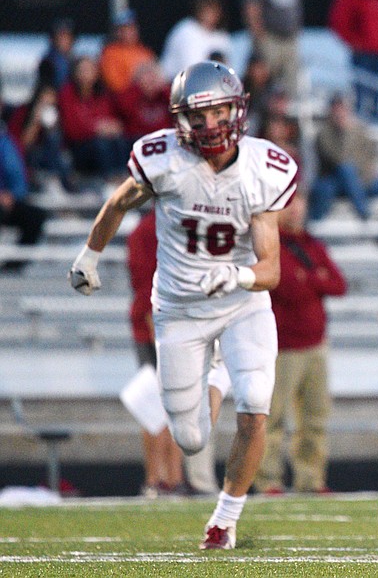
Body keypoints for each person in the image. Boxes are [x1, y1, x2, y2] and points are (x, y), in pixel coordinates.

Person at [68, 60, 298, 549]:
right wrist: (90, 255)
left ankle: (224, 519)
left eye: (219, 113)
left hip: (241, 301)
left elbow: (271, 269)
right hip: (177, 308)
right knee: (191, 438)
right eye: (199, 116)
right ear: (181, 120)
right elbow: (117, 204)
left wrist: (235, 274)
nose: (211, 125)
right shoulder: (163, 158)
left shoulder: (262, 168)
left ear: (237, 111)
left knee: (256, 405)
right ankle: (216, 374)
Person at [255, 192, 346, 494]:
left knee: (315, 419)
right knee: (273, 418)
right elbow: (288, 288)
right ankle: (268, 480)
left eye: (300, 202)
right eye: (289, 203)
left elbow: (338, 284)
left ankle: (311, 479)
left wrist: (309, 279)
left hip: (315, 344)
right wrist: (313, 278)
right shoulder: (271, 246)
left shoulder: (311, 244)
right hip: (282, 346)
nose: (296, 209)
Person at [125, 208, 185, 496]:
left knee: (176, 402)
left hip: (171, 323)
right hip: (159, 325)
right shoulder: (150, 230)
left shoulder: (161, 226)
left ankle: (170, 476)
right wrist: (156, 326)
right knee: (159, 403)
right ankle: (159, 477)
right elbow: (147, 281)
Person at [308, 93, 378, 223]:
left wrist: (370, 169)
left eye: (343, 109)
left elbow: (370, 152)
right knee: (346, 169)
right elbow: (339, 158)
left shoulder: (359, 130)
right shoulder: (323, 134)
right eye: (336, 109)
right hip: (335, 182)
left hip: (362, 180)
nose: (340, 113)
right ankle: (364, 213)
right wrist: (345, 132)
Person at [57, 56, 130, 185]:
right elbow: (71, 129)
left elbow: (113, 120)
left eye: (90, 70)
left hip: (103, 142)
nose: (86, 74)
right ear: (75, 73)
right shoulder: (67, 94)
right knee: (100, 144)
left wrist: (113, 127)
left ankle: (123, 178)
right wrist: (96, 129)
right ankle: (109, 181)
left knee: (120, 141)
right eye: (82, 70)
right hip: (78, 148)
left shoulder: (103, 94)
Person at [0, 127, 47, 272]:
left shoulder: (4, 142)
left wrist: (11, 195)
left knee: (35, 216)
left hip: (5, 201)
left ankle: (14, 267)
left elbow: (17, 177)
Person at [160, 0, 234, 80]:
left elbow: (228, 71)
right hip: (175, 84)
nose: (210, 13)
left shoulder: (222, 37)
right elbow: (190, 71)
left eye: (214, 9)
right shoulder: (186, 30)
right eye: (206, 8)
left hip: (210, 86)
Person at [99, 9, 156, 95]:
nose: (127, 33)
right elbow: (115, 85)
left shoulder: (145, 51)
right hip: (124, 99)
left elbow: (157, 79)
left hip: (147, 99)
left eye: (130, 28)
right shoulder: (110, 53)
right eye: (122, 29)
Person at [113, 61, 173, 141]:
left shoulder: (165, 96)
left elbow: (176, 105)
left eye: (154, 76)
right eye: (147, 77)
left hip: (166, 140)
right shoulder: (131, 97)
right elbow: (124, 107)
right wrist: (138, 90)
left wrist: (164, 90)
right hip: (135, 140)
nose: (151, 81)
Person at [36, 17, 77, 91]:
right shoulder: (49, 61)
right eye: (60, 36)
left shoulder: (75, 59)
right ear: (53, 39)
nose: (64, 40)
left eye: (67, 36)